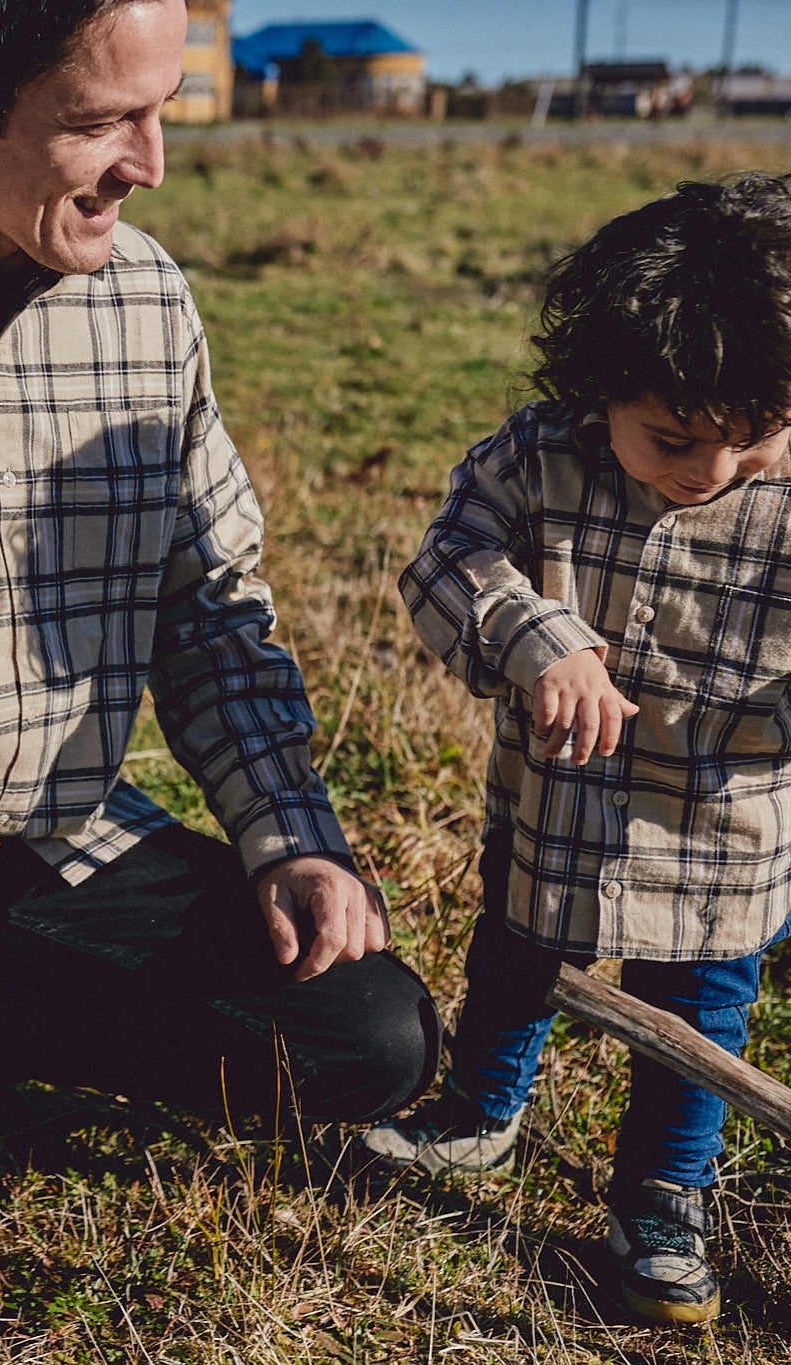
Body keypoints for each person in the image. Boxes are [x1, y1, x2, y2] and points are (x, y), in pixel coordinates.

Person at [0, 3, 441, 1361]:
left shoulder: (148, 302)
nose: (153, 161)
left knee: (373, 1038)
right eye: (101, 121)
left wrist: (289, 832)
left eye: (164, 110)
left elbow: (211, 614)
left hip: (58, 845)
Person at [361, 174, 791, 1326]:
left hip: (724, 827)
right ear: (604, 379)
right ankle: (478, 1111)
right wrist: (540, 640)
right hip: (559, 801)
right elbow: (450, 558)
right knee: (513, 954)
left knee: (698, 1013)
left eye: (752, 441)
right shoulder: (542, 454)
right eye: (673, 438)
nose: (710, 470)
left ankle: (660, 1192)